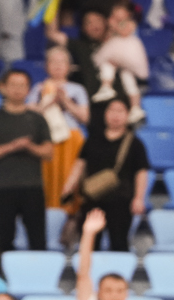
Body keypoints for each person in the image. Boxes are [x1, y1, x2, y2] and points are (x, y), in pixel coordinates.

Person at [62, 96, 151, 253]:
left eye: (120, 111)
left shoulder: (135, 143)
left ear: (128, 115)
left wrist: (139, 198)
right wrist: (69, 186)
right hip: (92, 198)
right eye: (111, 110)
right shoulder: (92, 140)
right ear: (105, 114)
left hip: (121, 201)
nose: (115, 115)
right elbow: (79, 165)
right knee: (89, 243)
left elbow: (141, 172)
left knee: (119, 243)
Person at [0, 67, 54, 250]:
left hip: (33, 186)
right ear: (3, 88)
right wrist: (12, 146)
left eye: (22, 85)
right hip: (4, 187)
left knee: (38, 240)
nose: (17, 89)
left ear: (29, 89)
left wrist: (29, 147)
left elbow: (48, 153)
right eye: (13, 85)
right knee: (2, 240)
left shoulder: (37, 119)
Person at [34, 44, 91, 208]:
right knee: (47, 180)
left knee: (69, 180)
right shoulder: (38, 89)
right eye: (53, 61)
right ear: (46, 66)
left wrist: (65, 101)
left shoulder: (77, 89)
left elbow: (85, 118)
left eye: (62, 62)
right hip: (45, 140)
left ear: (69, 67)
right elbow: (29, 116)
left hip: (71, 139)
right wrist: (49, 102)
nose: (58, 65)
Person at [85, 2, 148, 128]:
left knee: (126, 79)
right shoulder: (112, 30)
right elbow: (108, 37)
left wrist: (114, 25)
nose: (117, 17)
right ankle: (106, 87)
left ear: (128, 14)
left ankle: (136, 107)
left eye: (120, 14)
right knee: (114, 70)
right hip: (118, 51)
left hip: (129, 52)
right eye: (114, 14)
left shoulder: (130, 23)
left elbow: (124, 32)